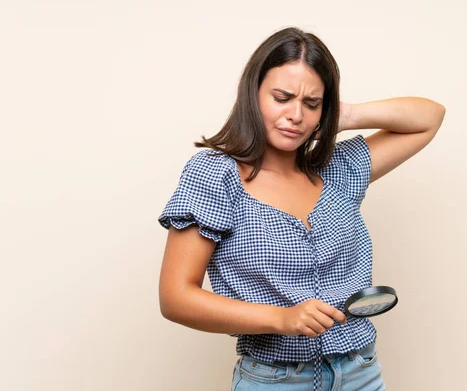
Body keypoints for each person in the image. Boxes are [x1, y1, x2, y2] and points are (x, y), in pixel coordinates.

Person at [157, 27, 445, 391]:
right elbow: (175, 297)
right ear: (253, 93)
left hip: (360, 371)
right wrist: (282, 318)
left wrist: (343, 115)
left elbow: (429, 117)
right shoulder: (215, 175)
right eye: (282, 97)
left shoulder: (338, 171)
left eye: (311, 103)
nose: (296, 114)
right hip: (275, 380)